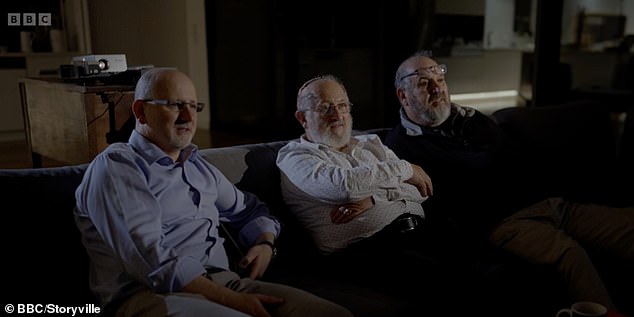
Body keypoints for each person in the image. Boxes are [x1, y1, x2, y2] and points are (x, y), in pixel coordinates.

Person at [74, 68, 354, 317]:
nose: (187, 117)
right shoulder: (118, 166)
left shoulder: (197, 167)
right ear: (140, 111)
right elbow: (152, 263)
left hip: (226, 283)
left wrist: (265, 242)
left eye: (193, 106)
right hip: (151, 297)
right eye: (174, 105)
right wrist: (236, 302)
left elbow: (250, 209)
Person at [383, 50, 634, 312]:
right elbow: (446, 201)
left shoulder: (471, 119)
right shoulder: (401, 147)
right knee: (571, 257)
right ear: (403, 96)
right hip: (503, 223)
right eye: (425, 83)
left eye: (440, 80)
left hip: (550, 203)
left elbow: (514, 158)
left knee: (627, 226)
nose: (437, 89)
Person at [276, 74, 485, 315]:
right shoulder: (295, 157)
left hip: (419, 231)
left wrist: (373, 199)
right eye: (325, 108)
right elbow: (344, 186)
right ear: (302, 118)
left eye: (342, 105)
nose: (337, 114)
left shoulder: (369, 144)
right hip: (365, 252)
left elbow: (421, 191)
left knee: (495, 264)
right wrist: (405, 169)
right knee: (463, 285)